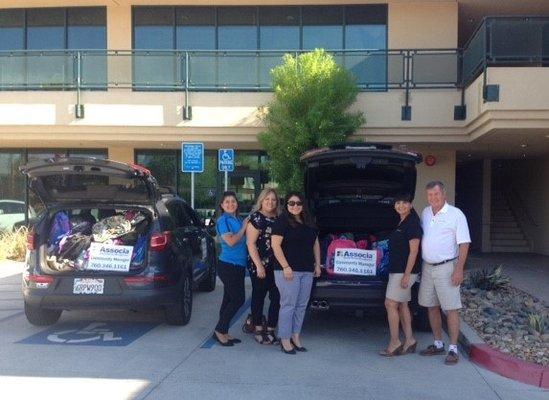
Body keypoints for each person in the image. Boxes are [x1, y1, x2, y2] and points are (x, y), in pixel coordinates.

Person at [418, 181, 471, 365]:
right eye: (430, 195)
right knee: (431, 306)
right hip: (428, 267)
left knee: (451, 309)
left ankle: (453, 349)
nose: (433, 198)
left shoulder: (456, 215)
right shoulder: (425, 212)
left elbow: (464, 243)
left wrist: (459, 269)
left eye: (436, 194)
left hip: (447, 267)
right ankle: (438, 343)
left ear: (444, 194)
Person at [271, 192, 321, 355]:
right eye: (291, 203)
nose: (295, 206)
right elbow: (276, 246)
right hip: (287, 271)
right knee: (288, 305)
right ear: (286, 205)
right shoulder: (282, 222)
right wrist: (285, 266)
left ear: (303, 205)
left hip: (306, 269)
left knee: (301, 306)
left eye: (298, 203)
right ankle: (284, 339)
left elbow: (315, 243)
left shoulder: (309, 222)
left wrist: (317, 264)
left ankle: (295, 336)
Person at [379, 194, 422, 357]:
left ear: (410, 205)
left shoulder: (412, 224)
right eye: (398, 202)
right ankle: (410, 340)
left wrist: (406, 275)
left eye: (404, 203)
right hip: (397, 270)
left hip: (404, 272)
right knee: (402, 305)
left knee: (390, 304)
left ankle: (395, 342)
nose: (401, 205)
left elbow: (414, 251)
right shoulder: (402, 222)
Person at [213, 191, 249, 347]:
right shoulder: (223, 220)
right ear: (222, 205)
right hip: (228, 265)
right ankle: (219, 330)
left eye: (233, 201)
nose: (230, 204)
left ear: (237, 203)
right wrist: (244, 228)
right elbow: (232, 241)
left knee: (228, 299)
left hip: (239, 266)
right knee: (238, 298)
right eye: (226, 201)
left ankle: (223, 331)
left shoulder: (238, 219)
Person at [246, 188, 281, 345]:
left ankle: (271, 328)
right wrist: (259, 266)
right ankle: (258, 327)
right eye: (267, 199)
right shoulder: (256, 218)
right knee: (259, 296)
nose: (270, 202)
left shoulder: (280, 218)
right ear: (261, 200)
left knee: (276, 297)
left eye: (273, 199)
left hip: (277, 265)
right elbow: (250, 243)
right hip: (259, 265)